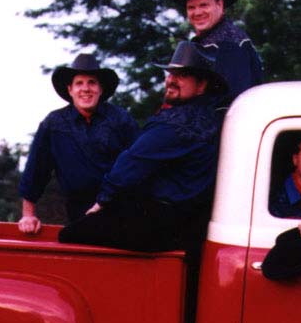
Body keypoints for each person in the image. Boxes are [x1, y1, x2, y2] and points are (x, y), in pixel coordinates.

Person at [58, 41, 227, 254]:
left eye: (182, 75)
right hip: (191, 224)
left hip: (164, 223)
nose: (171, 81)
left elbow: (133, 161)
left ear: (201, 86)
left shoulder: (176, 123)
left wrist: (101, 203)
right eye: (170, 74)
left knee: (70, 235)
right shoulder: (213, 119)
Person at [18, 54, 139, 233]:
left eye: (92, 82)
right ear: (70, 89)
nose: (86, 89)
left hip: (121, 211)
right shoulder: (54, 123)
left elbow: (139, 164)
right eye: (79, 83)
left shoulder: (121, 120)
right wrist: (28, 215)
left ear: (100, 89)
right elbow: (36, 170)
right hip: (78, 213)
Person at [173, 0, 264, 104]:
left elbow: (233, 103)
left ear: (220, 5)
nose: (197, 12)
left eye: (204, 5)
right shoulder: (201, 43)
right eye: (191, 7)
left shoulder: (231, 43)